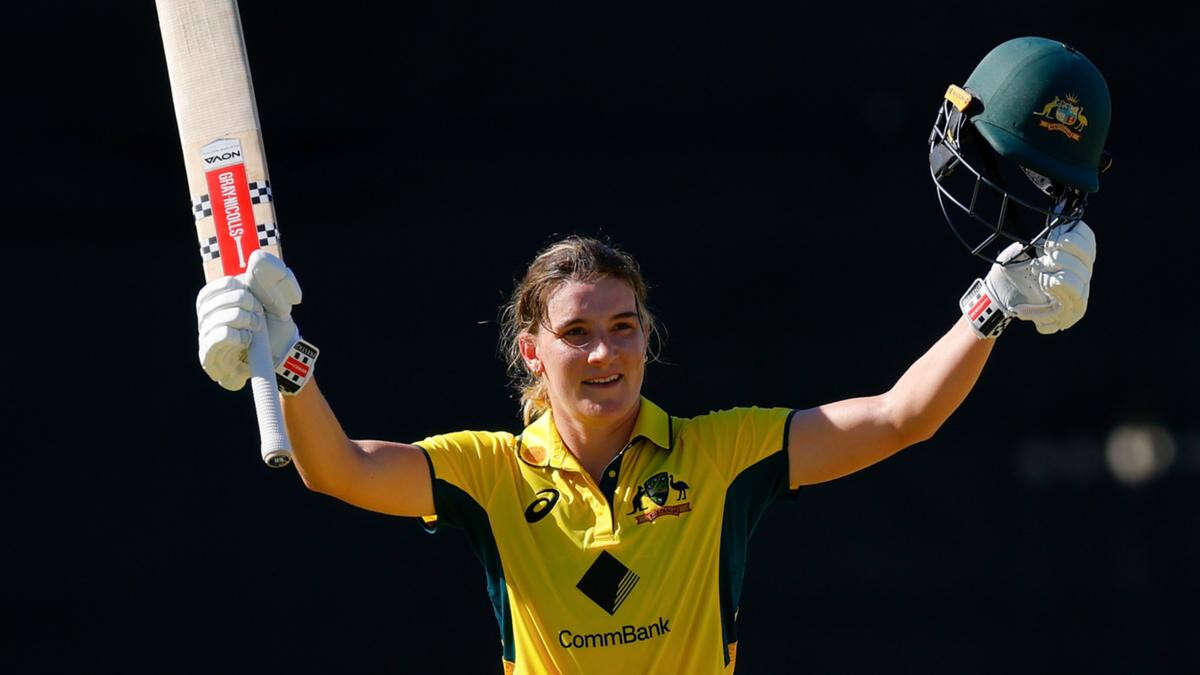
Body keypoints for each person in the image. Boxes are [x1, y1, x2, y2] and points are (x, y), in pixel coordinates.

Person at [193, 36, 1110, 674]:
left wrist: (994, 306)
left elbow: (900, 417)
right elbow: (336, 469)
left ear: (648, 339)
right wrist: (286, 362)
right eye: (578, 332)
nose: (605, 351)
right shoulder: (493, 475)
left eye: (624, 327)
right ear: (531, 351)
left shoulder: (719, 458)